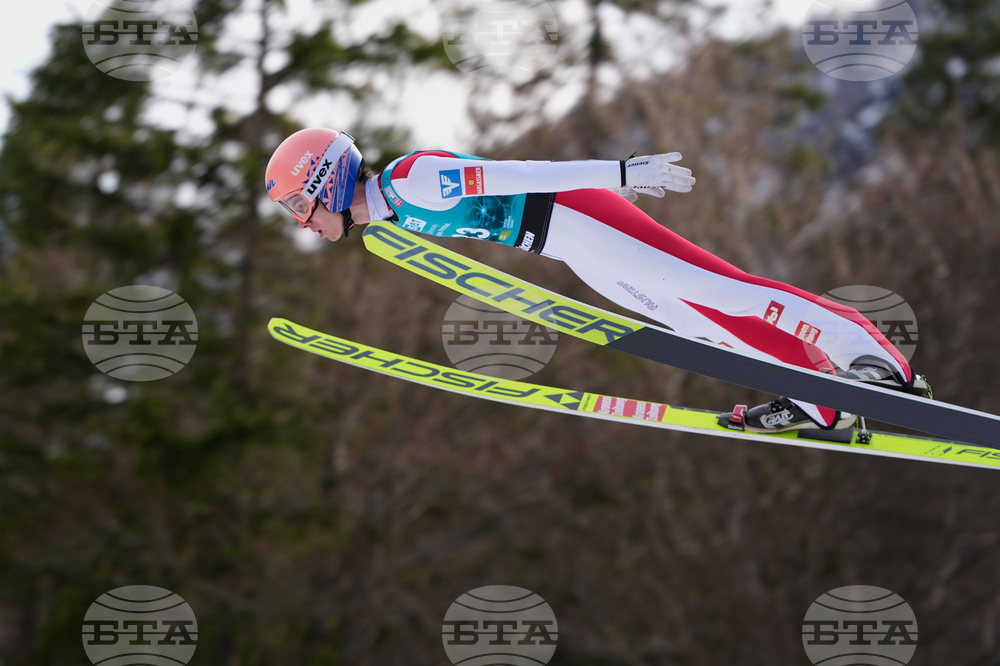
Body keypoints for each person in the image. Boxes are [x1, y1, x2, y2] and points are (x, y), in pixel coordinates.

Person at [265, 127, 931, 433]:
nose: (301, 223)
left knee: (724, 290)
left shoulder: (413, 180)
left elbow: (518, 175)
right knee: (697, 322)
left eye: (299, 205)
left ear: (326, 182)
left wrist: (617, 173)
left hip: (578, 215)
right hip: (571, 249)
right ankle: (817, 398)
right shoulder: (393, 215)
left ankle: (872, 357)